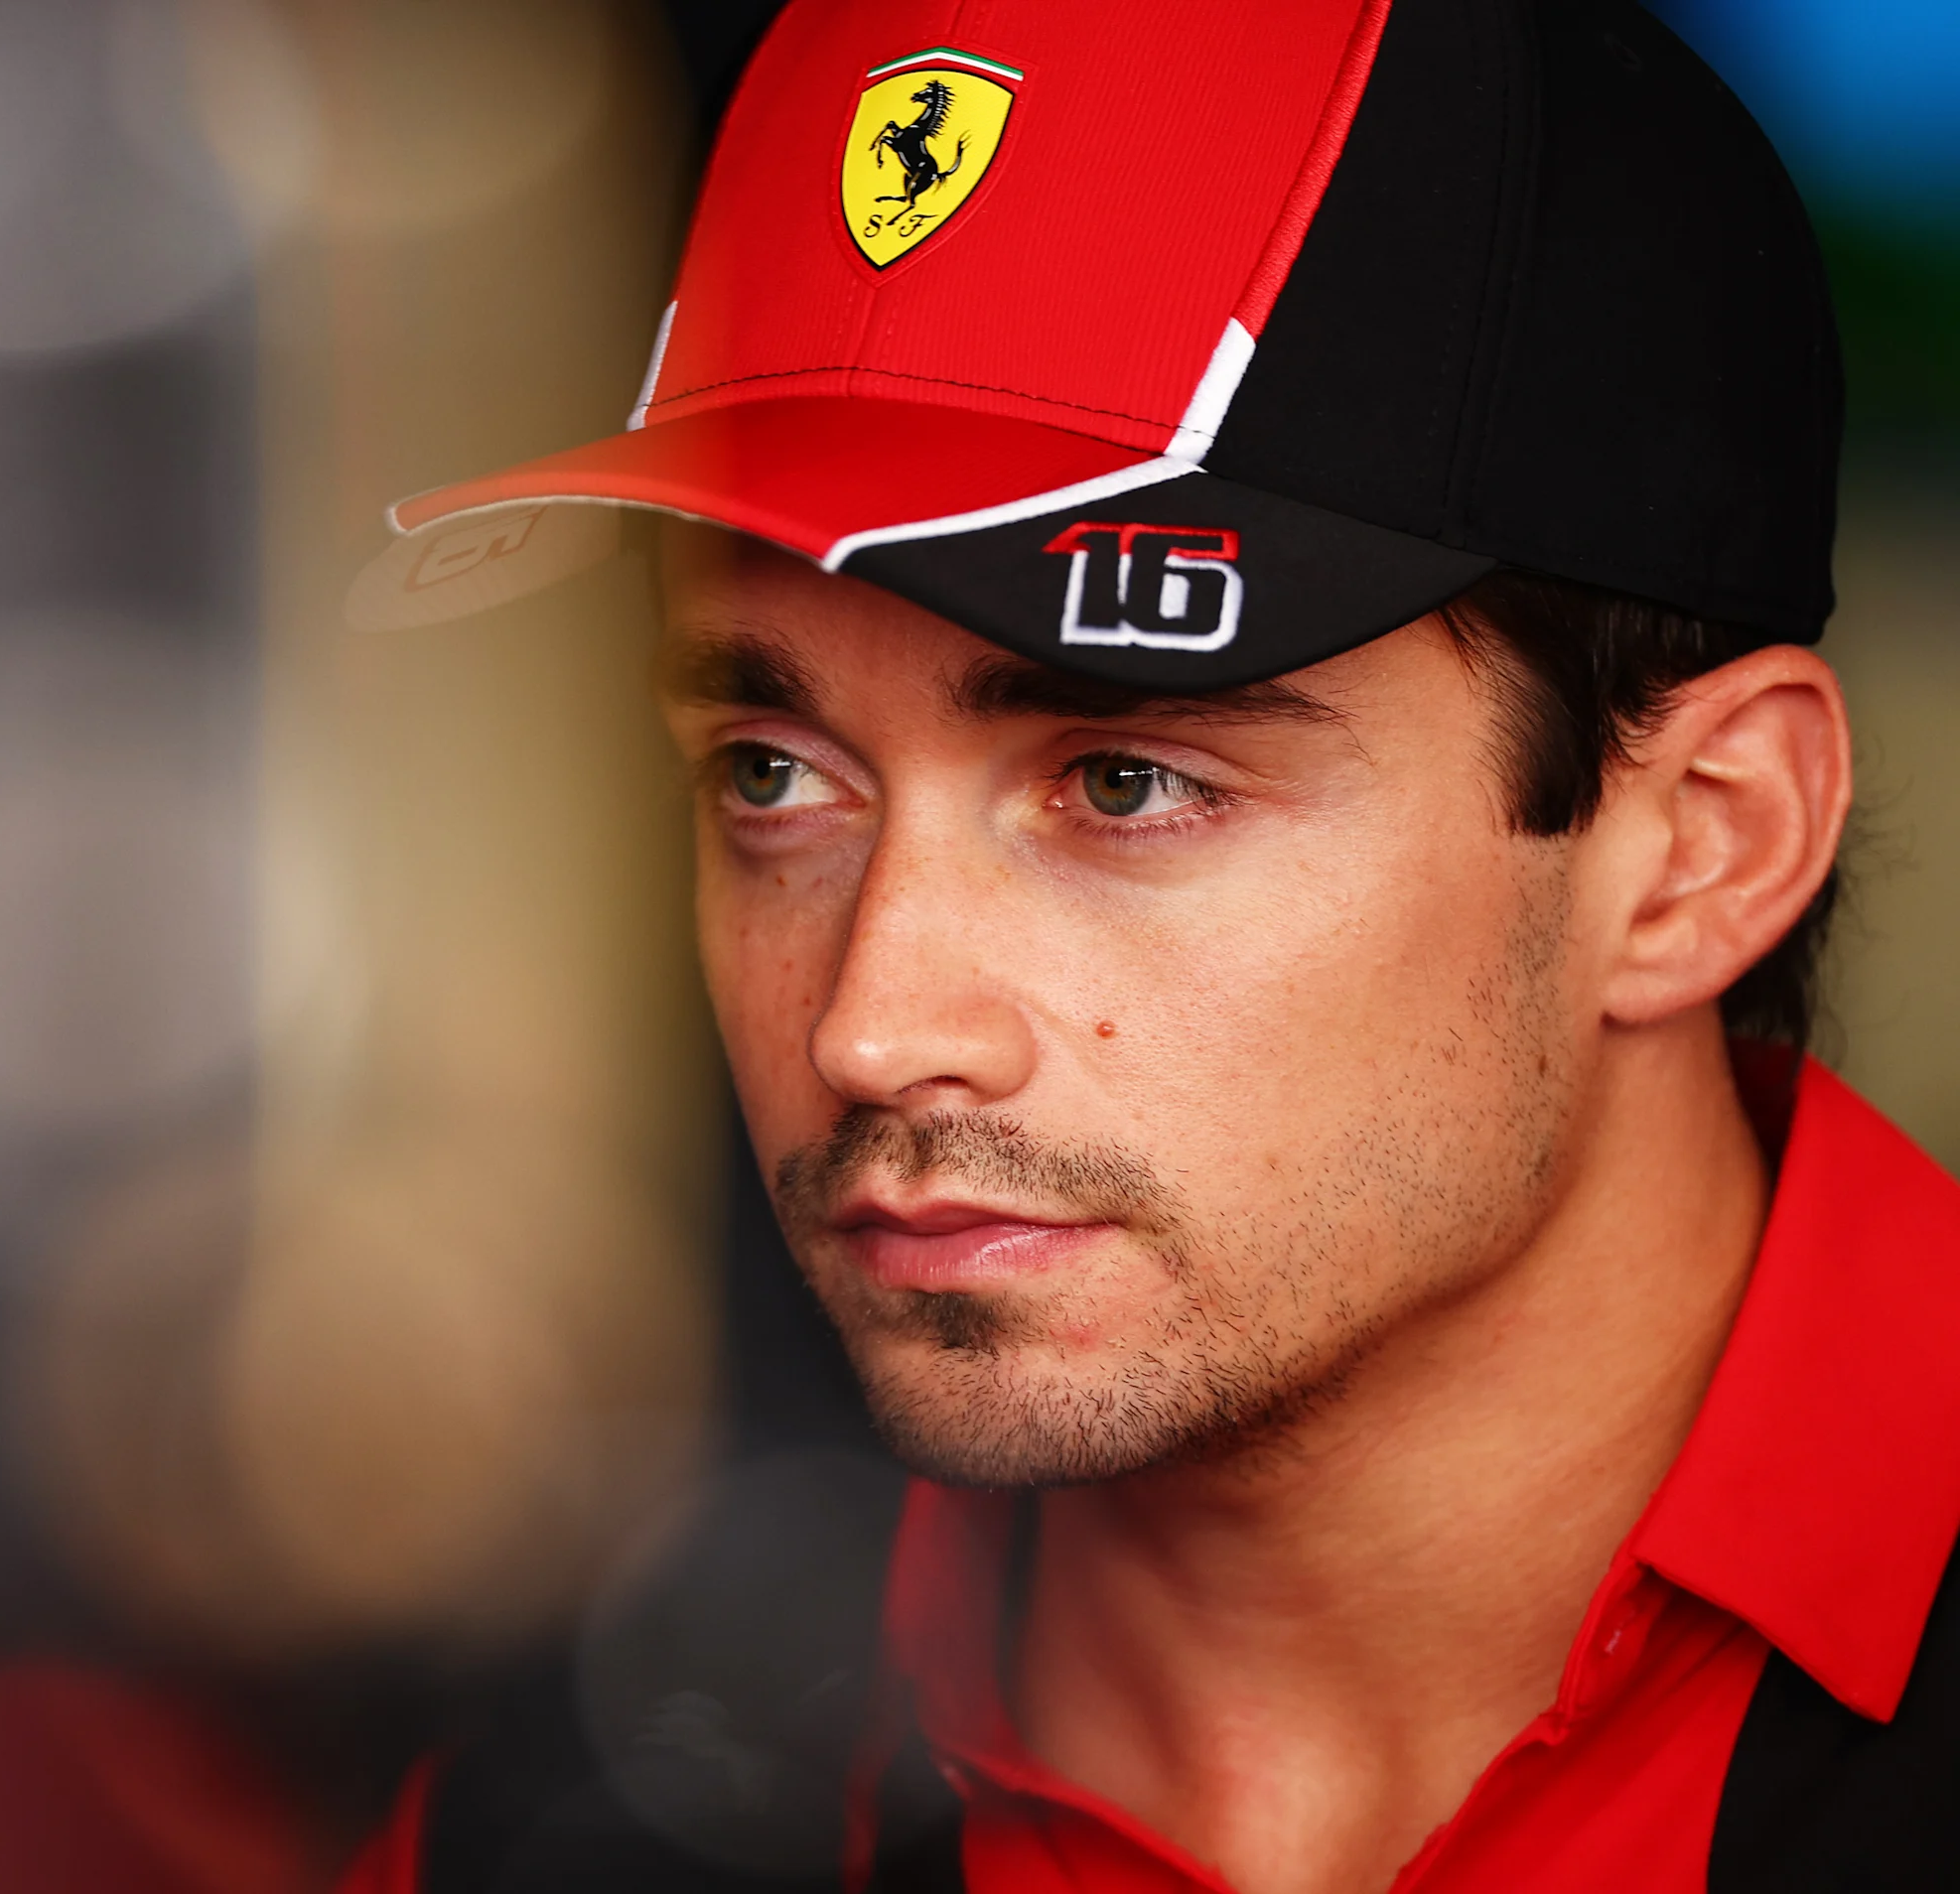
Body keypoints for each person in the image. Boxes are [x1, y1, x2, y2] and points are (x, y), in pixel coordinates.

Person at [337, 1, 1960, 1889]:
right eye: (773, 775)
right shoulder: (564, 1803)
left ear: (1702, 849)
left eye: (1126, 783)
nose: (871, 1027)